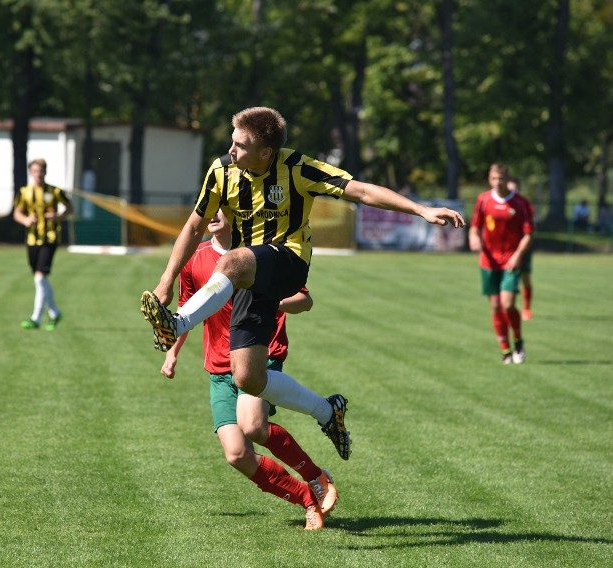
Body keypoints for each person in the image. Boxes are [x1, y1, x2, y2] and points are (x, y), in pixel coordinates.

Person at [140, 106, 466, 457]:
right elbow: (193, 226)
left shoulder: (297, 167)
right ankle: (328, 411)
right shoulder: (221, 170)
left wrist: (422, 210)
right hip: (251, 278)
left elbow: (362, 192)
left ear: (266, 152)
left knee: (231, 259)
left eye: (240, 145)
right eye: (231, 141)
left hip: (287, 262)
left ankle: (177, 321)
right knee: (248, 378)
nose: (230, 150)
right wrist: (166, 279)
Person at [161, 210, 336, 530]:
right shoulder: (196, 258)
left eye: (220, 206)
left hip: (259, 356)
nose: (211, 214)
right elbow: (186, 310)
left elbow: (304, 299)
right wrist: (173, 353)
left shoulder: (264, 254)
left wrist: (272, 301)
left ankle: (315, 475)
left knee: (254, 425)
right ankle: (306, 497)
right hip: (218, 366)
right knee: (237, 454)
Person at [468, 163, 534, 364]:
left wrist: (517, 256)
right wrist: (473, 238)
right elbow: (475, 227)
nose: (497, 182)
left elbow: (528, 234)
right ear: (490, 179)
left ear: (507, 179)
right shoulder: (483, 200)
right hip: (488, 261)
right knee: (496, 307)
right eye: (494, 179)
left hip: (510, 262)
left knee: (507, 304)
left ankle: (518, 340)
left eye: (501, 179)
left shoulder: (520, 203)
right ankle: (505, 350)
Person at [12, 158, 74, 331]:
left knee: (40, 277)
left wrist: (58, 216)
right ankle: (54, 313)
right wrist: (25, 220)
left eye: (40, 171)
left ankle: (36, 318)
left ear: (45, 172)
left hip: (50, 238)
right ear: (31, 173)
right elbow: (17, 213)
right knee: (40, 279)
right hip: (32, 239)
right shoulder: (24, 192)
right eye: (35, 171)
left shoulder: (54, 191)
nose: (38, 174)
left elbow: (70, 208)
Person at [506, 177, 534, 321]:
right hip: (506, 250)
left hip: (523, 250)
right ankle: (509, 309)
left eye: (515, 189)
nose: (513, 191)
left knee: (525, 278)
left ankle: (527, 308)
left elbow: (529, 229)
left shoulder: (524, 205)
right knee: (508, 280)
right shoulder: (502, 204)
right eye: (510, 189)